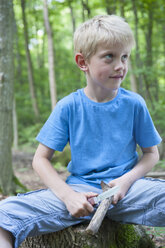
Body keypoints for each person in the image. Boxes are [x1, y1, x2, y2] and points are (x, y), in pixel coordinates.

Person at [0, 15, 164, 248]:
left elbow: (151, 153)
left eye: (125, 56)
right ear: (82, 62)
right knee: (4, 213)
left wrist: (126, 182)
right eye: (109, 57)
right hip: (80, 193)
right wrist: (68, 196)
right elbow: (40, 159)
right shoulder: (68, 106)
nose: (120, 65)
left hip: (129, 192)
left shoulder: (134, 104)